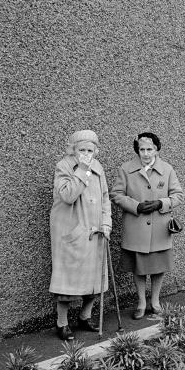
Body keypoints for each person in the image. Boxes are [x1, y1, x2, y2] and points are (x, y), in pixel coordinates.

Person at [110, 133, 184, 320]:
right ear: (137, 150)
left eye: (149, 149)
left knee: (159, 267)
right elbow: (116, 194)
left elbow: (178, 195)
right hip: (136, 228)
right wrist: (135, 206)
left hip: (160, 228)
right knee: (139, 267)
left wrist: (161, 203)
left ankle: (155, 301)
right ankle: (141, 302)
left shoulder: (167, 169)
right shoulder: (126, 169)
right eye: (142, 149)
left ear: (157, 149)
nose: (145, 153)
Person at [49, 130, 112, 340]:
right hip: (72, 232)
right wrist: (82, 169)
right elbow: (67, 195)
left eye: (90, 150)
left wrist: (106, 224)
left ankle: (85, 317)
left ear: (96, 151)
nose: (86, 154)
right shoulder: (64, 166)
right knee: (67, 283)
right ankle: (62, 323)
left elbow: (105, 199)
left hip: (95, 232)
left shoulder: (99, 167)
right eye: (82, 149)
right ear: (73, 150)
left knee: (94, 280)